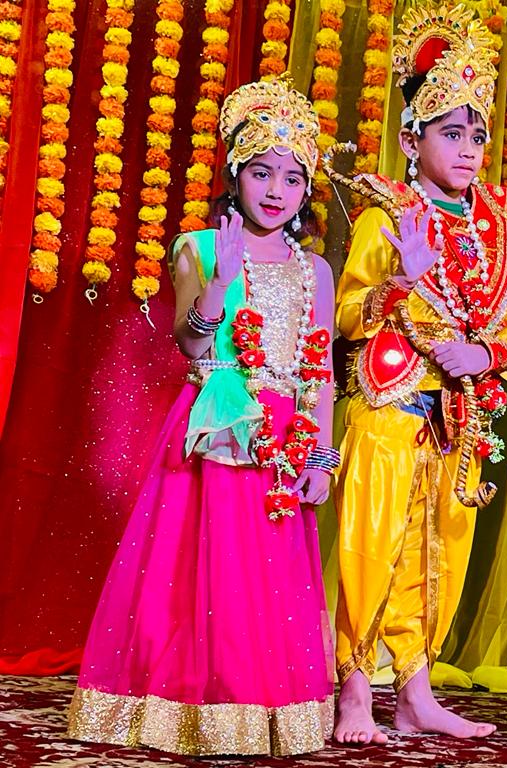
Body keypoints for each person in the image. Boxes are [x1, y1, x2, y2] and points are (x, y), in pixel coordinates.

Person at [66, 77, 338, 757]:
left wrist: (322, 458)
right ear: (235, 175)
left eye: (293, 179)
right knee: (199, 573)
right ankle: (193, 708)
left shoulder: (315, 271)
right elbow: (190, 343)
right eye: (262, 173)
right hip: (217, 423)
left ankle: (263, 714)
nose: (276, 191)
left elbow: (321, 371)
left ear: (307, 191)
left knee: (269, 578)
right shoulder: (200, 247)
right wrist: (219, 284)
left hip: (284, 437)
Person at [330, 2, 507, 745]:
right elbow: (347, 315)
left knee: (440, 550)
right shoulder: (386, 216)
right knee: (372, 545)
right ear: (411, 139)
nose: (470, 149)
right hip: (390, 403)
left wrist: (483, 355)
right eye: (452, 133)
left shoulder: (501, 228)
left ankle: (415, 693)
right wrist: (400, 282)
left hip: (460, 415)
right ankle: (355, 688)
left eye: (478, 135)